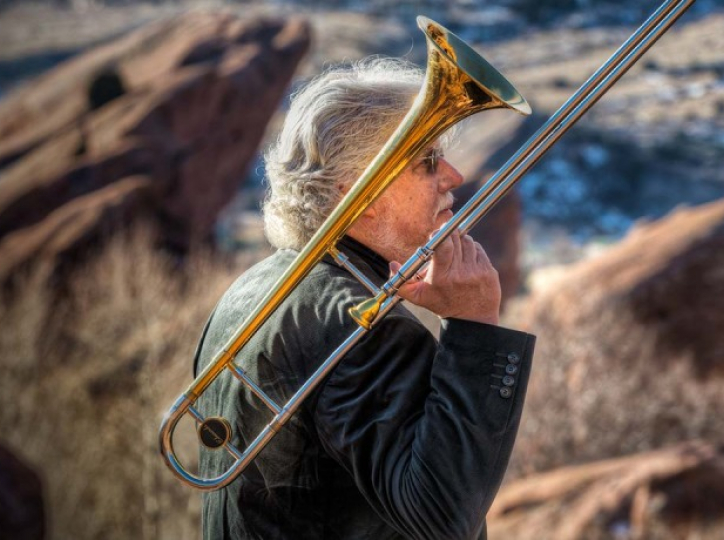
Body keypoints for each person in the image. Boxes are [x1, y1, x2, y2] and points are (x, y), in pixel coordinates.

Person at [195, 57, 536, 540]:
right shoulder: (363, 331)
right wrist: (475, 325)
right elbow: (442, 519)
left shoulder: (249, 290)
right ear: (361, 192)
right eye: (428, 162)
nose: (454, 176)